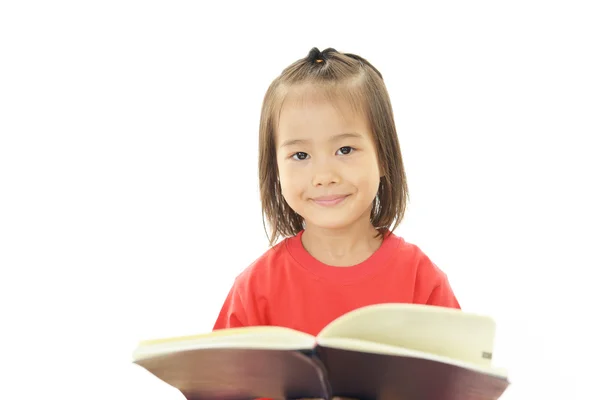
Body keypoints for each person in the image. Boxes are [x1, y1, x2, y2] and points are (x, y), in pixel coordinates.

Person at [212, 47, 461, 399]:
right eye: (300, 155)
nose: (324, 175)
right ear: (276, 171)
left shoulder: (421, 280)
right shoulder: (256, 288)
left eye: (345, 150)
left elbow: (456, 386)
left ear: (383, 157)